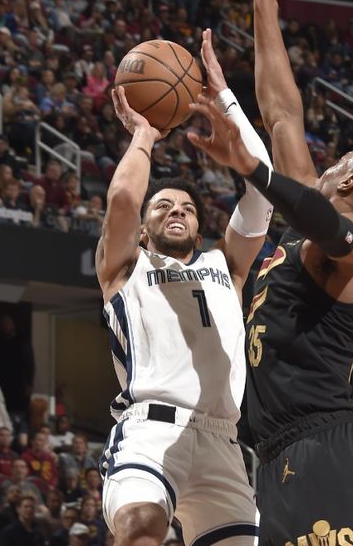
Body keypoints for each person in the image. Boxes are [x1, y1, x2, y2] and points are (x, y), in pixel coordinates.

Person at [223, 0, 353, 543]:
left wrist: (253, 169)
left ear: (351, 181)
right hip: (279, 453)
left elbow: (322, 223)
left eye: (336, 163)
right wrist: (264, 3)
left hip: (323, 452)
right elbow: (282, 111)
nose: (323, 167)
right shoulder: (308, 211)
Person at [96, 30, 274, 544]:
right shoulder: (126, 266)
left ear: (199, 226)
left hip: (223, 440)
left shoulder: (227, 266)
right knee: (140, 528)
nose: (177, 210)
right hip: (151, 428)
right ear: (147, 229)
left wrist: (224, 99)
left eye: (188, 208)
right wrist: (144, 136)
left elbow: (263, 196)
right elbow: (124, 203)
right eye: (164, 206)